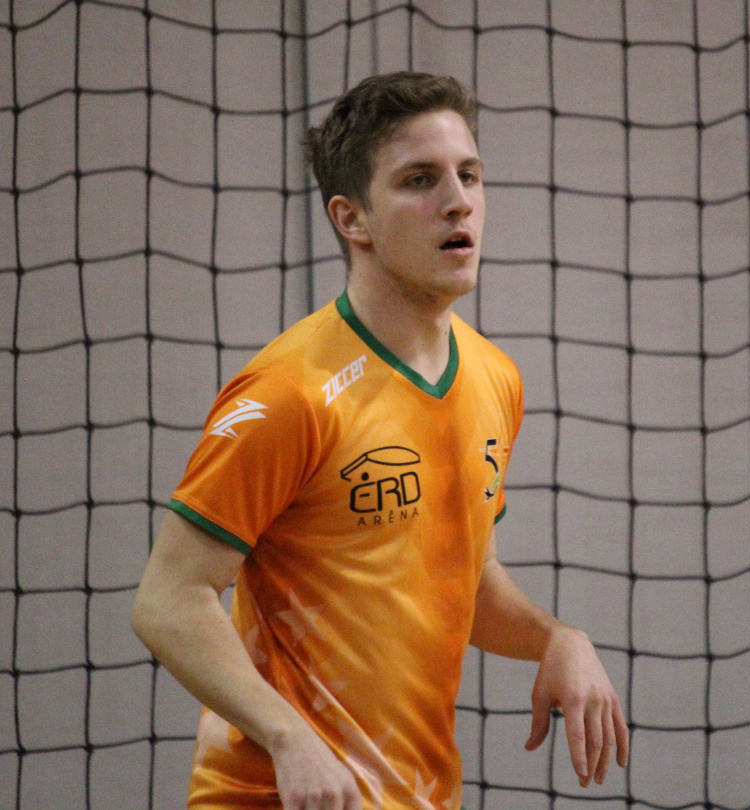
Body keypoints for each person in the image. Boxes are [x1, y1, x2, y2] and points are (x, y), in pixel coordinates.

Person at [131, 71, 629, 810]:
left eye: (469, 175)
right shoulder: (290, 392)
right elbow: (168, 599)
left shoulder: (495, 378)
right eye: (420, 180)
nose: (458, 201)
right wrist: (288, 736)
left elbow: (467, 578)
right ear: (352, 218)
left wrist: (557, 638)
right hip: (273, 797)